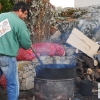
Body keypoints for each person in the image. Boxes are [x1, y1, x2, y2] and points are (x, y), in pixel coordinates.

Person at [0, 1, 32, 100]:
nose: (25, 16)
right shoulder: (19, 23)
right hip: (7, 57)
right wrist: (27, 45)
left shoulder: (1, 16)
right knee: (12, 84)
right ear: (20, 10)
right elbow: (26, 43)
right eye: (25, 13)